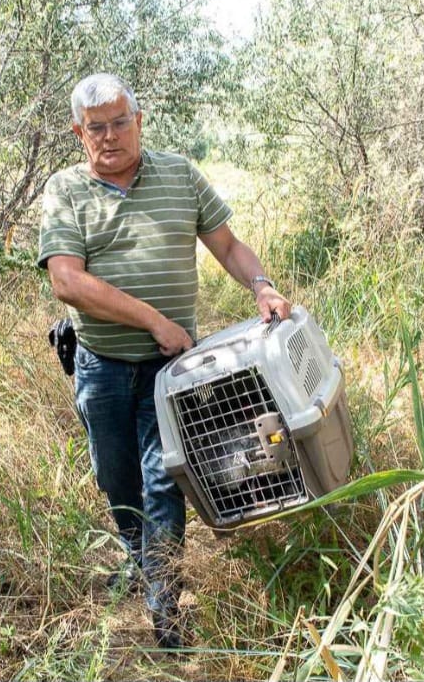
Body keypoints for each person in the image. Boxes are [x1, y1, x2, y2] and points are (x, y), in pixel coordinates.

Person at [36, 72, 291, 648]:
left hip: (172, 372)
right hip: (100, 363)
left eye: (120, 122)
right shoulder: (66, 189)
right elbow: (68, 282)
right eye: (96, 128)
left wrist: (262, 286)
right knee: (114, 475)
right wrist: (154, 320)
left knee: (163, 480)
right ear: (79, 132)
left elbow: (226, 244)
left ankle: (164, 601)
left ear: (139, 120)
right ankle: (137, 552)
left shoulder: (179, 173)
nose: (109, 136)